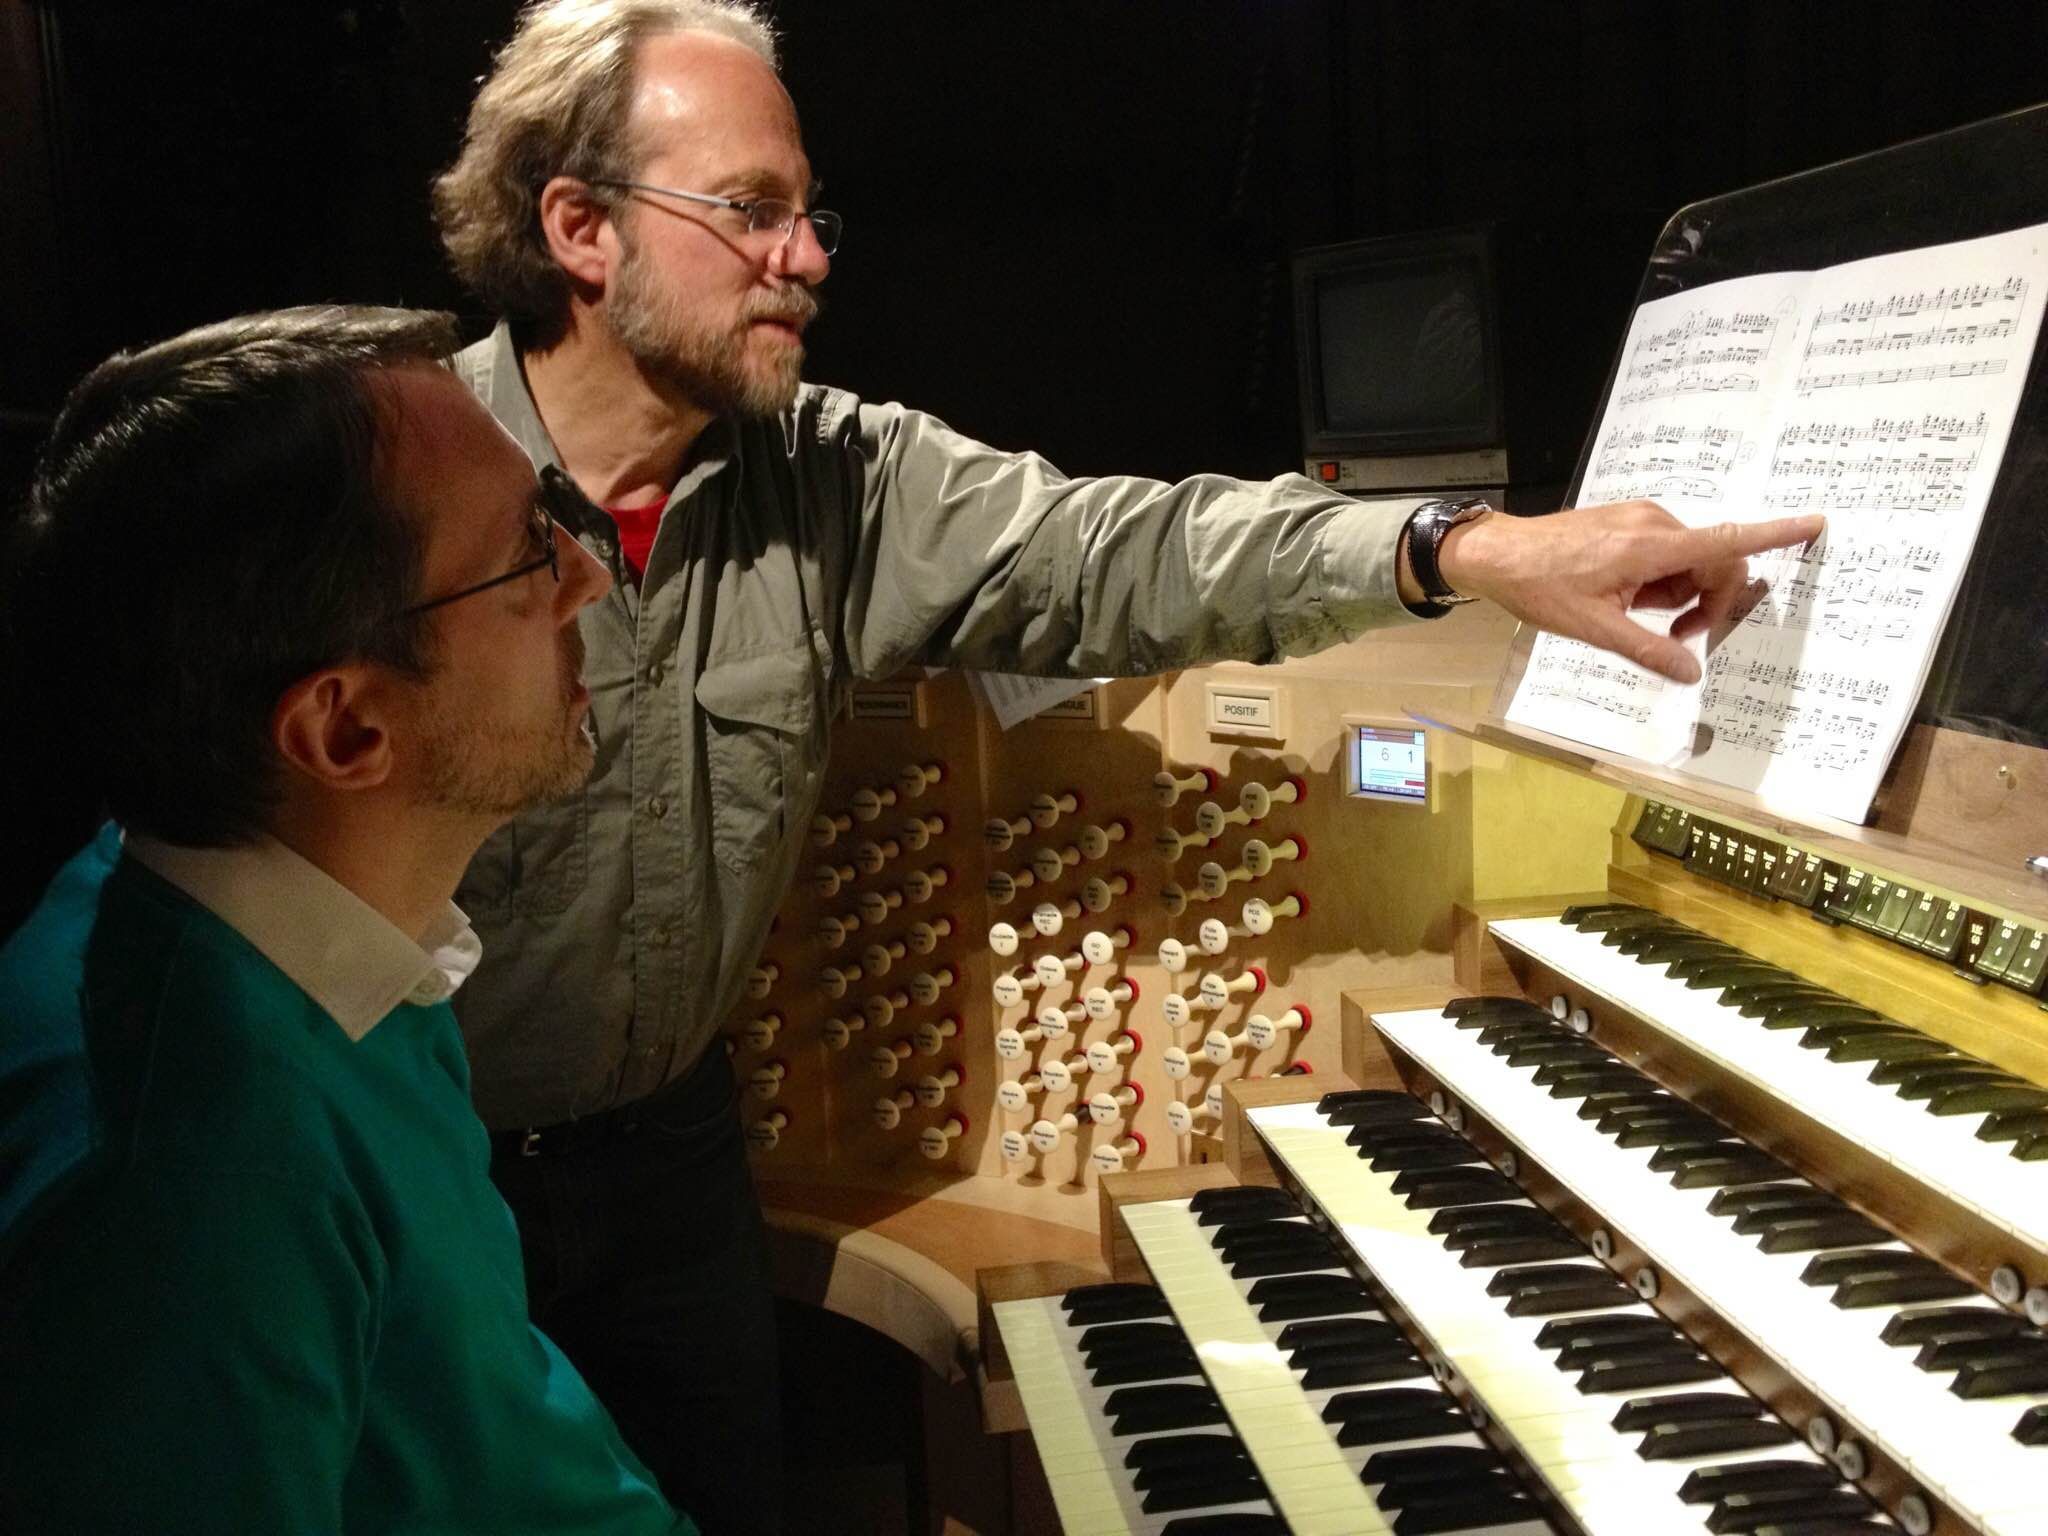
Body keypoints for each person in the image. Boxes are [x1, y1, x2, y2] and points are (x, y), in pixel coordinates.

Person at [429, 4, 1824, 1529]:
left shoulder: (837, 478)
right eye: (751, 213)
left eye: (808, 214)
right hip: (420, 1164)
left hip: (674, 1163)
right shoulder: (395, 479)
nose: (809, 261)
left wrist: (1466, 547)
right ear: (579, 227)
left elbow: (1123, 546)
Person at [0, 305, 696, 1535]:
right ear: (345, 731)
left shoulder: (334, 944)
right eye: (528, 552)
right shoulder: (187, 1198)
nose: (587, 575)